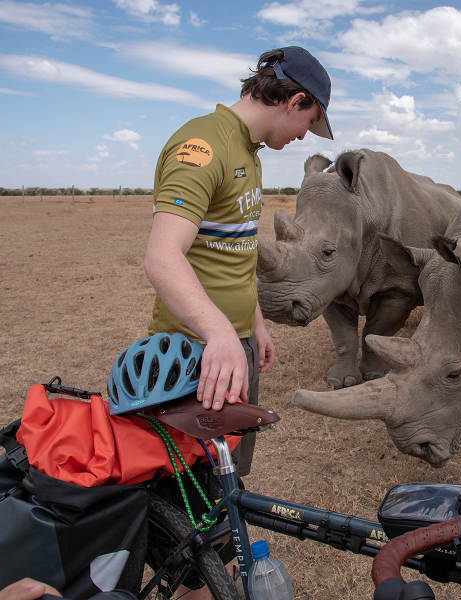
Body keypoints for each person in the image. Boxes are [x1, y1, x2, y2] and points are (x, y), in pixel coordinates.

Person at [144, 47, 334, 479]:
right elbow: (162, 256)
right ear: (295, 101)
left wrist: (255, 325)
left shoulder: (249, 152)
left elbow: (237, 252)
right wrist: (220, 333)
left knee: (228, 478)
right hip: (195, 349)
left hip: (231, 343)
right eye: (310, 121)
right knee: (187, 482)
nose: (305, 135)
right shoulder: (204, 145)